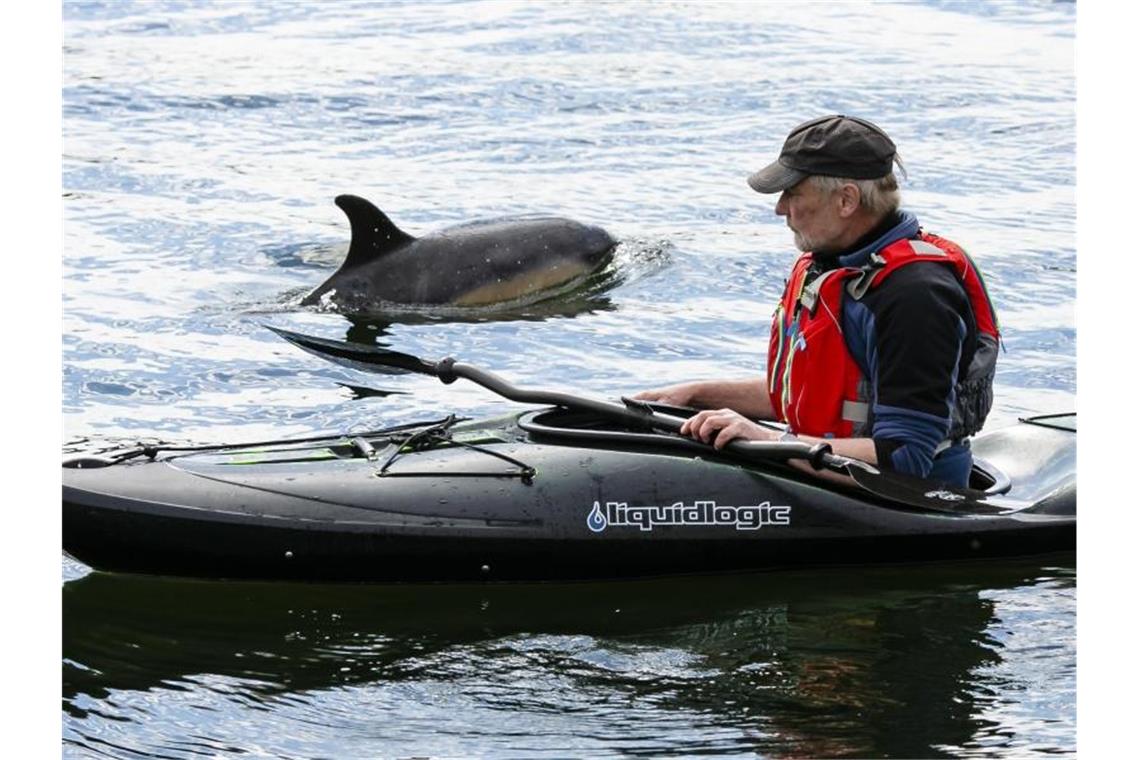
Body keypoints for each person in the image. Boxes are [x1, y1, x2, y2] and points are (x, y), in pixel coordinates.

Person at [636, 115, 1000, 486]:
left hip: (902, 503)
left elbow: (904, 459)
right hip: (820, 474)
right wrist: (696, 395)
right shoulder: (840, 263)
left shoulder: (915, 297)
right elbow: (816, 391)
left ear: (846, 200)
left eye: (792, 192)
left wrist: (767, 439)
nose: (780, 208)